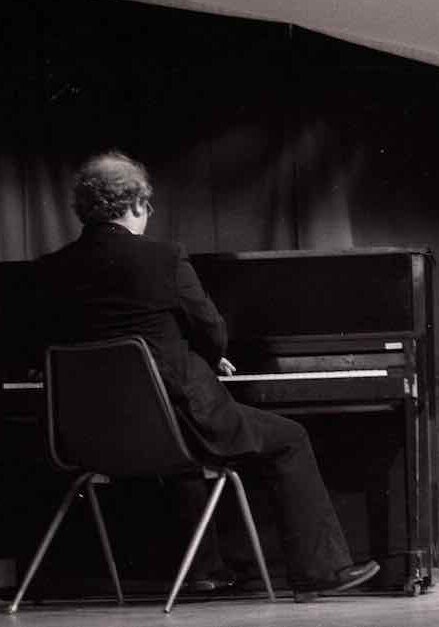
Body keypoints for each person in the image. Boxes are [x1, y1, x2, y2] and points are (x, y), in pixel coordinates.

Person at [36, 151, 379, 602]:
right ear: (136, 203)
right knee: (288, 437)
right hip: (176, 425)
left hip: (87, 438)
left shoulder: (51, 271)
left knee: (173, 438)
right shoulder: (162, 258)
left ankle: (204, 570)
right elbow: (212, 329)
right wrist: (205, 355)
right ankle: (319, 571)